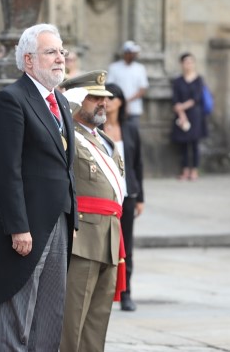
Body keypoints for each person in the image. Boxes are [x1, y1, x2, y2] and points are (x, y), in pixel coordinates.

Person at [0, 23, 77, 351]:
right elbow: (6, 170)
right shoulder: (11, 99)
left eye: (61, 51)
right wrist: (18, 227)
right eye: (51, 52)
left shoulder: (60, 103)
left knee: (49, 316)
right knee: (16, 316)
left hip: (58, 221)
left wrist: (72, 218)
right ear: (29, 60)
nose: (60, 58)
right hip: (26, 228)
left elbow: (64, 165)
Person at [59, 71, 126, 352]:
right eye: (94, 98)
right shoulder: (66, 138)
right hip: (82, 237)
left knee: (97, 322)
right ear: (76, 100)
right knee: (72, 322)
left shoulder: (105, 141)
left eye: (104, 98)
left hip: (110, 236)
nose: (103, 104)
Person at [103, 82, 144, 312]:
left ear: (120, 102)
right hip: (105, 197)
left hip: (127, 195)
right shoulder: (95, 128)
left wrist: (140, 197)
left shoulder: (130, 129)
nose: (107, 102)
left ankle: (126, 292)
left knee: (126, 245)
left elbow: (138, 164)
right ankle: (105, 291)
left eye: (112, 97)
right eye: (104, 97)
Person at [171, 52, 208, 181]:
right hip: (182, 116)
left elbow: (196, 98)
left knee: (194, 143)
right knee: (183, 144)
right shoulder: (177, 81)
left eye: (191, 62)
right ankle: (185, 170)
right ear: (182, 64)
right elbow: (175, 99)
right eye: (186, 62)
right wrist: (181, 114)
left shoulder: (199, 80)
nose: (189, 65)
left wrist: (182, 107)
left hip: (195, 115)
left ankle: (195, 171)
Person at [106, 40, 149, 126]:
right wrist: (121, 101)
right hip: (117, 107)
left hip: (134, 109)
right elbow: (110, 87)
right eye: (131, 53)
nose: (133, 55)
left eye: (134, 53)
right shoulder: (114, 67)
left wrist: (127, 101)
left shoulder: (140, 68)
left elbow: (143, 89)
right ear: (125, 53)